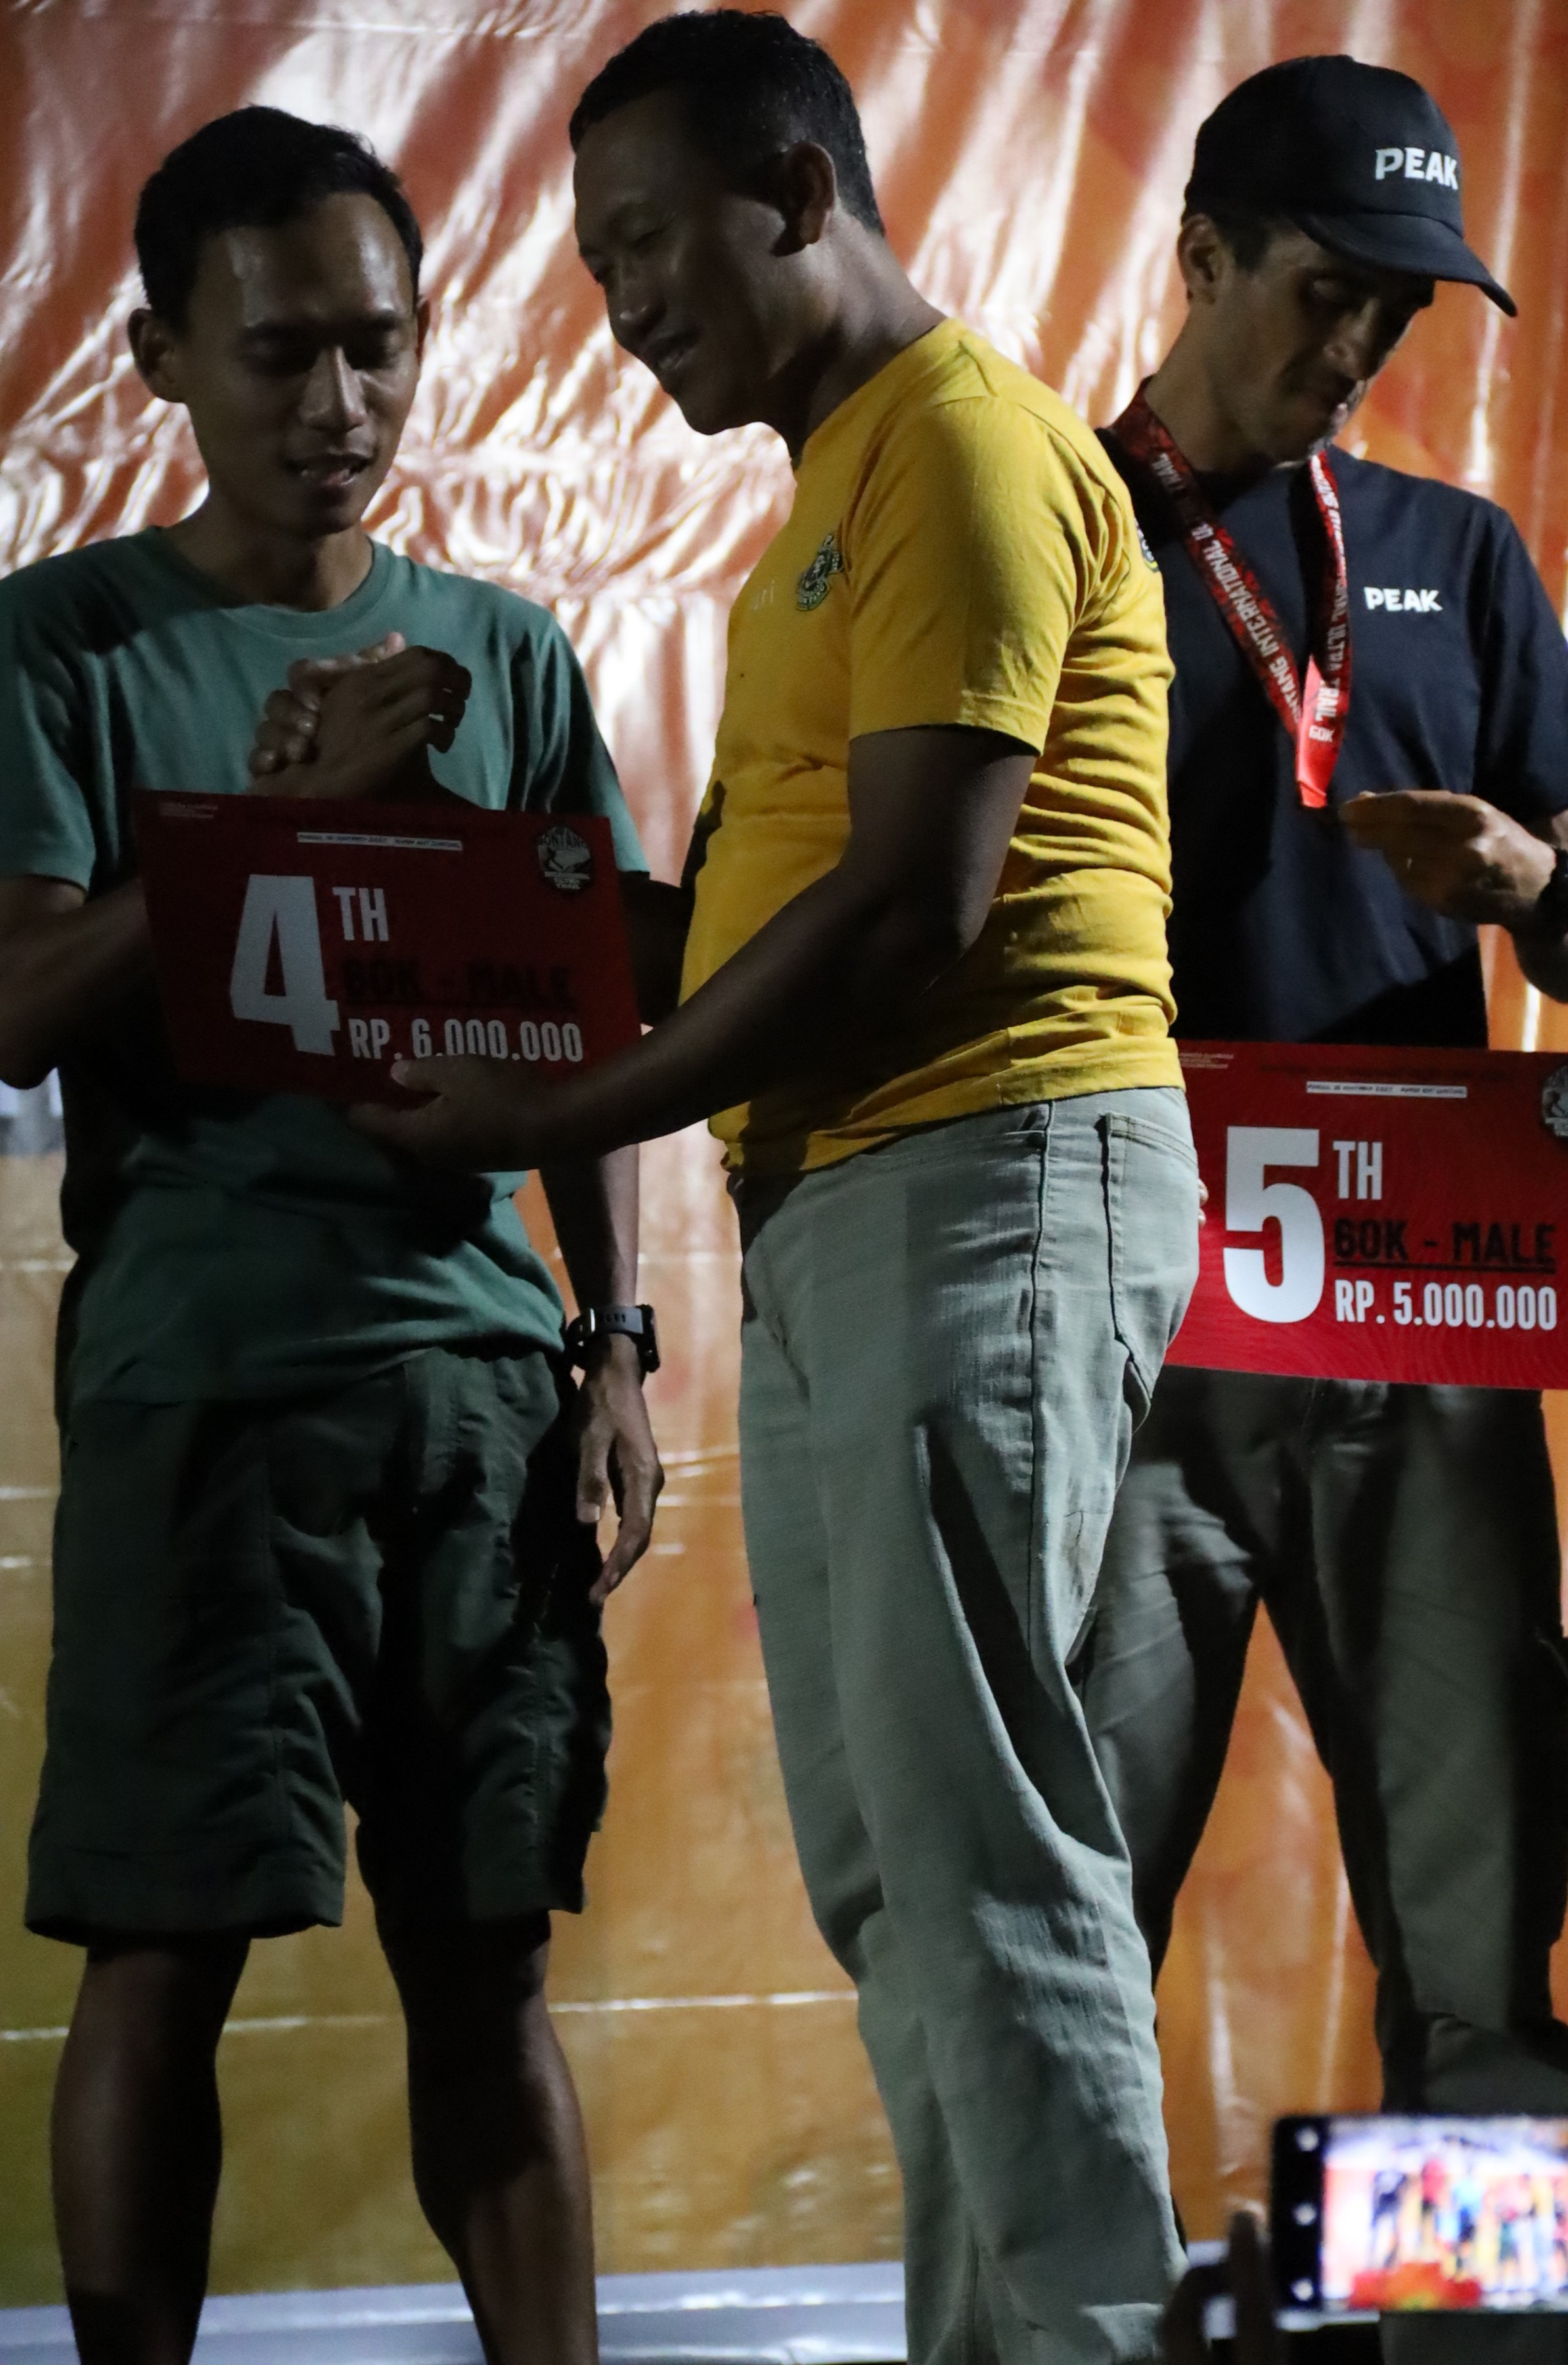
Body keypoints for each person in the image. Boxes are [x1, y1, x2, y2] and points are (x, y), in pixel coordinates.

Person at [349, 10, 1200, 2360]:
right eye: (597, 264)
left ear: (801, 194)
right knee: (901, 1879)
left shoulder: (961, 443)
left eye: (649, 244)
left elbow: (916, 908)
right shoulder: (823, 512)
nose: (624, 308)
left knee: (984, 1852)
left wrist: (549, 1124)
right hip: (861, 1196)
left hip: (992, 1165)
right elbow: (733, 935)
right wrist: (432, 857)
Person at [0, 107, 663, 2365]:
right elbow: (15, 1003)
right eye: (280, 352)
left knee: (487, 1957)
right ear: (161, 359)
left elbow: (588, 1032)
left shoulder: (505, 655)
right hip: (204, 1377)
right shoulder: (64, 644)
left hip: (479, 1384)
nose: (341, 402)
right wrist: (266, 822)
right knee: (162, 1950)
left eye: (379, 345)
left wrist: (615, 1346)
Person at [1075, 54, 1568, 2167]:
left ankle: (1479, 2321)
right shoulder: (1052, 528)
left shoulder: (1458, 557)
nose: (1360, 343)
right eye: (1325, 288)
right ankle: (1062, 2308)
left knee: (1480, 1961)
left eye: (1399, 305)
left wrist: (1538, 887)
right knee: (1061, 1936)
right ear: (1200, 256)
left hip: (1421, 1313)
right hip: (1127, 1325)